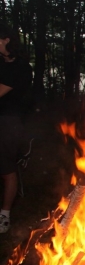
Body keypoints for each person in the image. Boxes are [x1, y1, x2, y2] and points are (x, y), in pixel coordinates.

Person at [0, 23, 33, 234]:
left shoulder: (21, 67)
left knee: (6, 170)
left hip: (9, 122)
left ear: (6, 40)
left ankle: (4, 216)